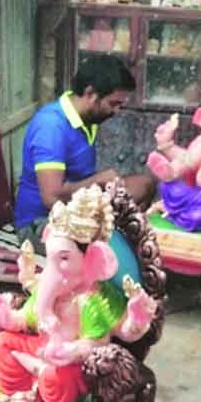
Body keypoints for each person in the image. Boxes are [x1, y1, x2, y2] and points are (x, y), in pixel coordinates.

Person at [14, 56, 155, 254]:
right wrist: (98, 181)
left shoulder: (87, 119)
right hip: (43, 223)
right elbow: (51, 197)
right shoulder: (51, 126)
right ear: (90, 94)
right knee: (110, 245)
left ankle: (124, 243)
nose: (116, 111)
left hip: (79, 206)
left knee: (144, 185)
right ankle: (118, 251)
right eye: (113, 103)